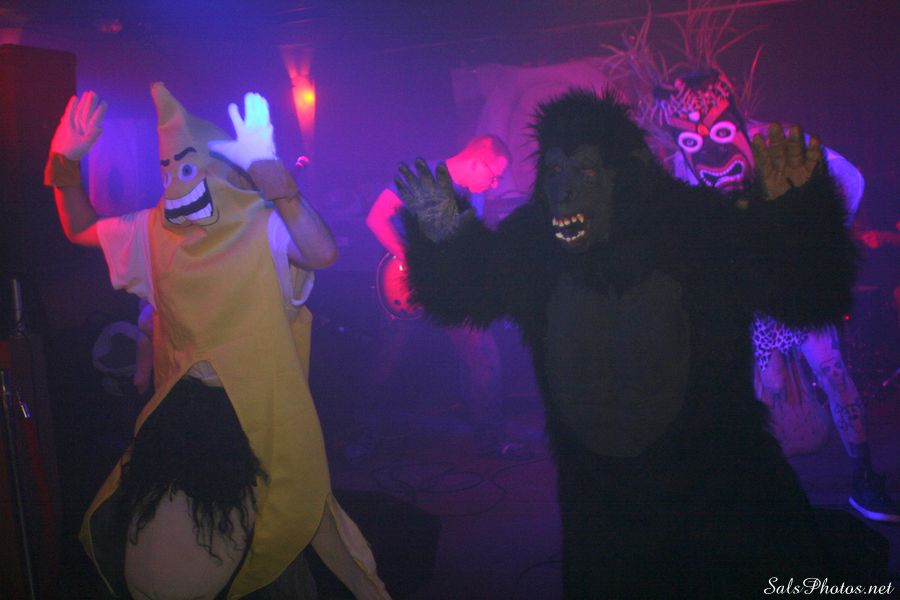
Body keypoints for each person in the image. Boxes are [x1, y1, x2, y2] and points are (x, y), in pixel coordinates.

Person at [395, 87, 856, 597]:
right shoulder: (534, 242)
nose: (564, 190)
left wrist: (798, 213)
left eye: (586, 171)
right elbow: (467, 294)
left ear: (626, 172)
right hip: (602, 501)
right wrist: (444, 237)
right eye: (555, 170)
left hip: (719, 488)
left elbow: (807, 294)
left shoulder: (694, 224)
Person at [44, 86, 390, 599]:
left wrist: (277, 183)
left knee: (277, 541)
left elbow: (320, 252)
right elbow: (79, 228)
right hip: (183, 419)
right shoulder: (155, 230)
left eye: (186, 168)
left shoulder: (261, 225)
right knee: (180, 566)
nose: (175, 184)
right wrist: (64, 163)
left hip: (263, 419)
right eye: (167, 172)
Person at [652, 69, 899, 524]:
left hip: (793, 282)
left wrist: (816, 247)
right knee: (755, 386)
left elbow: (849, 180)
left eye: (719, 131)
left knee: (830, 367)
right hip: (745, 290)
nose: (709, 149)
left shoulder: (777, 141)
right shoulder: (680, 167)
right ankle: (764, 485)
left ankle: (864, 476)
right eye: (689, 137)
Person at [365, 134, 531, 460]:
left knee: (483, 352)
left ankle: (494, 439)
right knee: (386, 359)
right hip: (407, 287)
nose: (495, 184)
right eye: (494, 176)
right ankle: (361, 435)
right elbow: (376, 218)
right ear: (477, 161)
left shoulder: (474, 197)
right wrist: (411, 259)